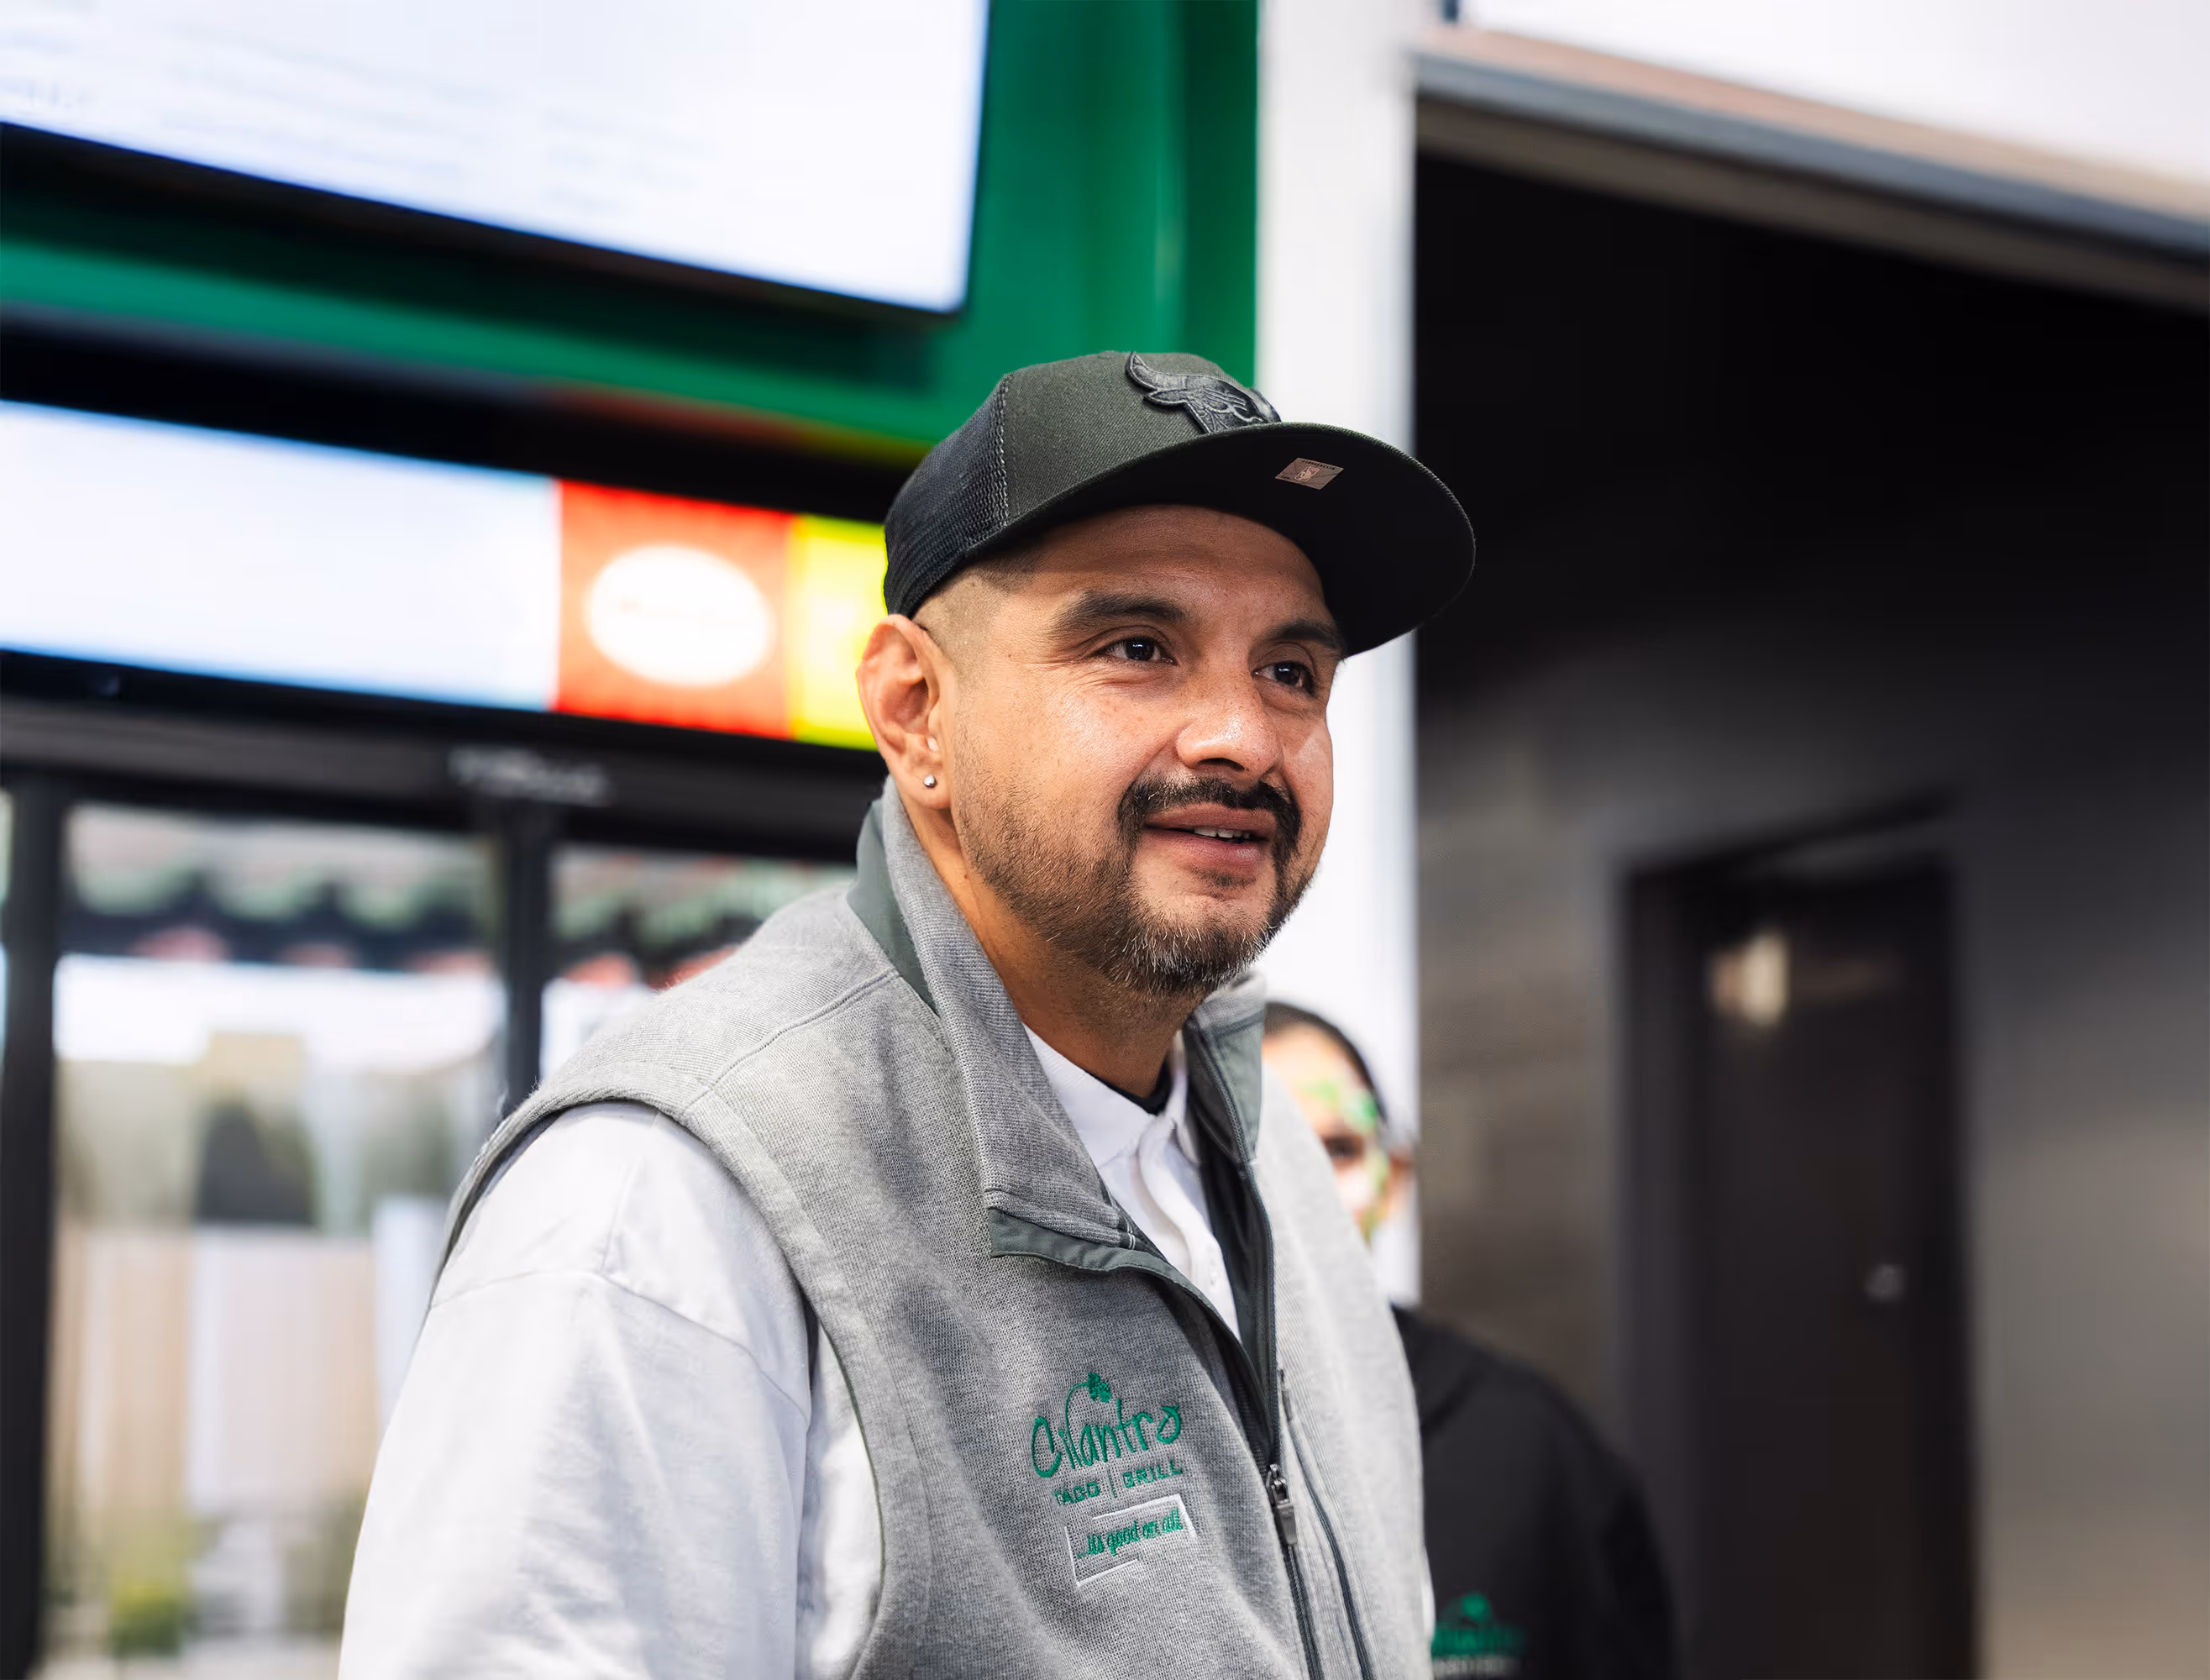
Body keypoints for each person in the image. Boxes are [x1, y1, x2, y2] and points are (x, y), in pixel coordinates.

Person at [340, 350, 1476, 1677]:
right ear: (914, 710)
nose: (1239, 732)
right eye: (1135, 647)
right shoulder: (663, 1202)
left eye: (1291, 670)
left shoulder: (1269, 1152)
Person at [1262, 1003, 1677, 1680]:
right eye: (1265, 1150)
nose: (1305, 1192)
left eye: (1336, 1149)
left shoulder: (1531, 1448)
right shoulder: (1140, 1451)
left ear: (1393, 1180)